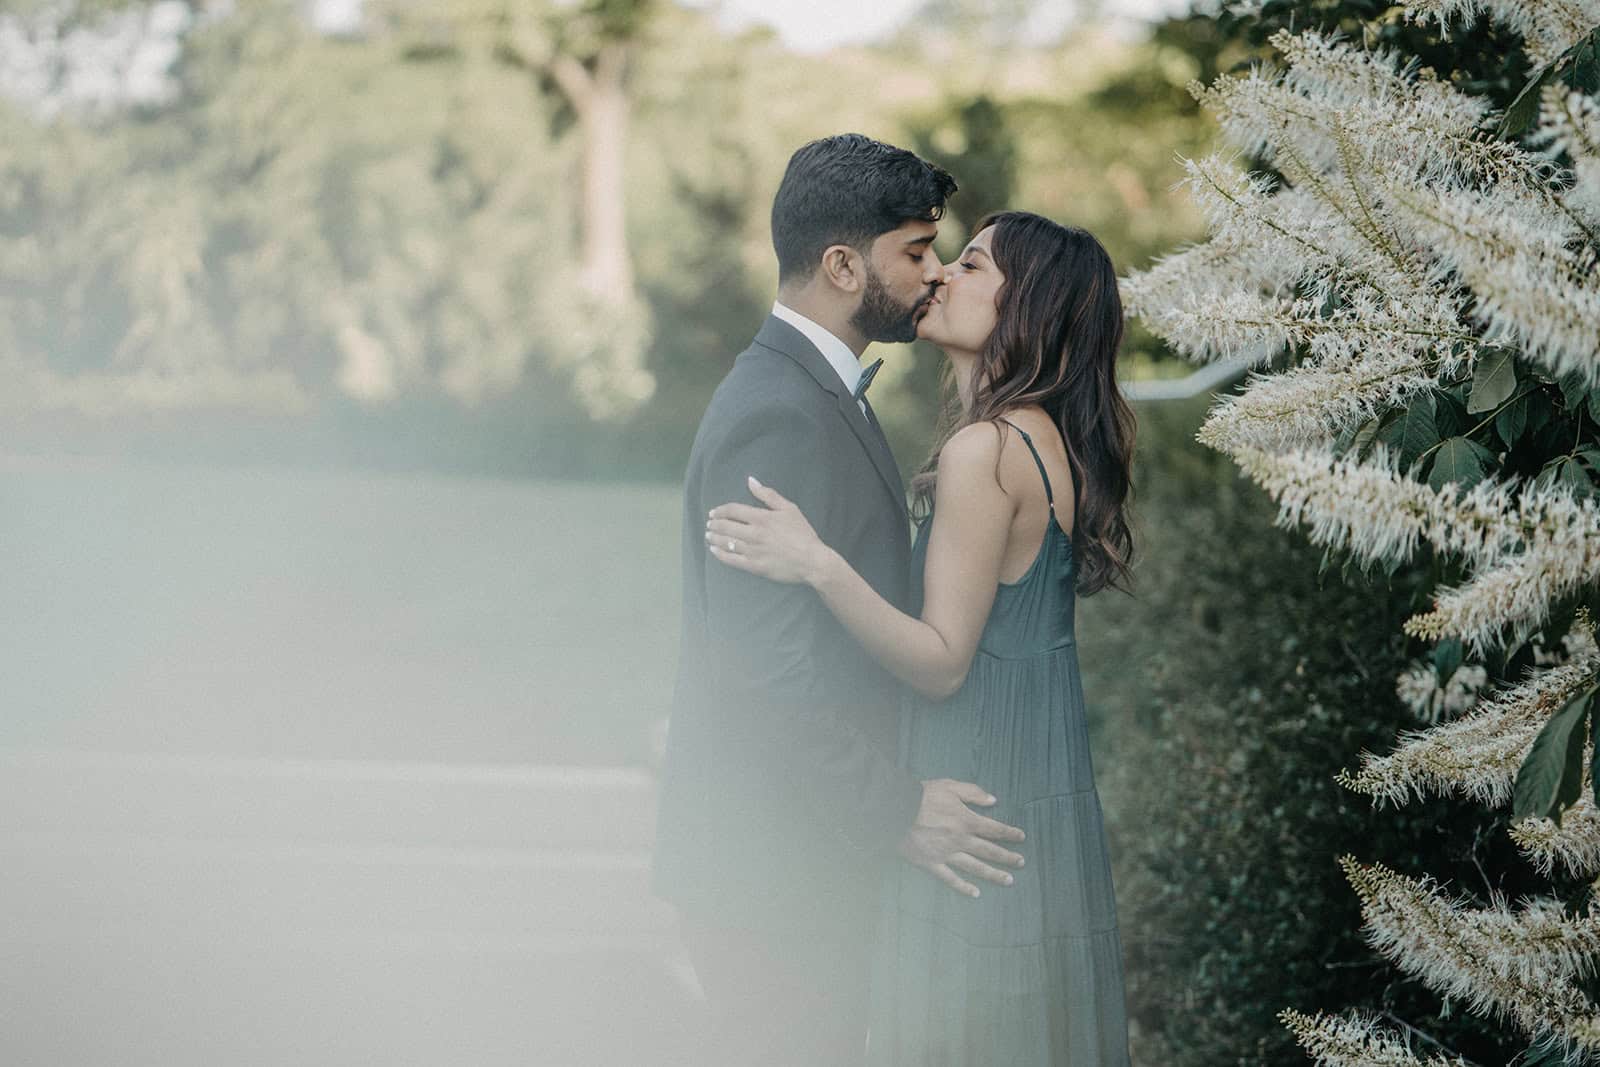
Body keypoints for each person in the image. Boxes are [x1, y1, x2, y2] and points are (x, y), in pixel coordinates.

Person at [704, 210, 1136, 1065]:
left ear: (1028, 310)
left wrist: (816, 562)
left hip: (972, 787)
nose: (939, 275)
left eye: (970, 265)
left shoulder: (987, 450)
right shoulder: (1046, 440)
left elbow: (941, 662)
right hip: (1033, 781)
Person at [651, 135, 1030, 1067]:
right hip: (769, 871)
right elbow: (765, 674)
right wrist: (898, 808)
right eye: (915, 251)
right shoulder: (778, 410)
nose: (934, 273)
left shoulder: (816, 390)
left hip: (799, 860)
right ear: (840, 264)